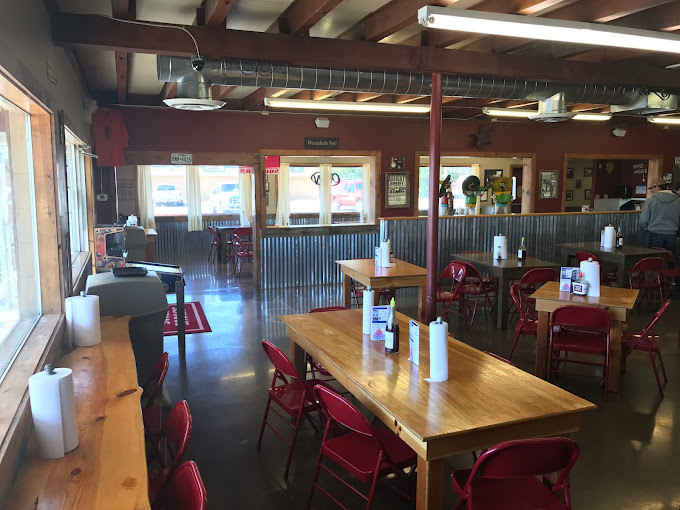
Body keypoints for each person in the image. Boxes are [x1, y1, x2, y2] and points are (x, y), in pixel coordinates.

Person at [639, 177, 680, 254]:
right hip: (672, 235)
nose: (651, 191)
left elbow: (644, 220)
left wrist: (647, 228)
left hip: (654, 234)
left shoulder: (650, 201)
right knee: (670, 261)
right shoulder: (678, 201)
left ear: (657, 187)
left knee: (654, 261)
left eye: (652, 188)